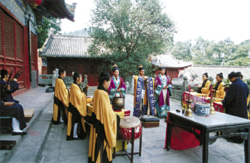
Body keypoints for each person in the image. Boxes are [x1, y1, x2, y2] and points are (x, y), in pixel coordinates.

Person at [88, 71, 120, 163]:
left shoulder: (97, 91)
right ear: (105, 82)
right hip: (102, 123)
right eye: (109, 82)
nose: (110, 85)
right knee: (117, 118)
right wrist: (115, 116)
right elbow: (107, 113)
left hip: (97, 120)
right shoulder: (103, 94)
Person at [0, 69, 27, 135]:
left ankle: (18, 128)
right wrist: (4, 103)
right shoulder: (2, 83)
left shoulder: (3, 83)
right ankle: (16, 129)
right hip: (1, 106)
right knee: (16, 108)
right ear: (5, 75)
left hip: (4, 103)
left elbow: (10, 89)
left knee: (19, 107)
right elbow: (14, 87)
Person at [67, 71, 89, 140]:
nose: (81, 79)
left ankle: (76, 134)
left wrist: (84, 89)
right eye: (81, 77)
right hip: (74, 107)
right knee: (76, 121)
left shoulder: (76, 85)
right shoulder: (74, 86)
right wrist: (84, 92)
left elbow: (80, 92)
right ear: (77, 78)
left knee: (77, 121)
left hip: (74, 105)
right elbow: (79, 97)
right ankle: (74, 135)